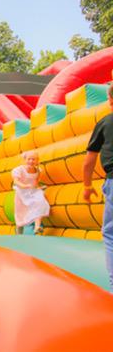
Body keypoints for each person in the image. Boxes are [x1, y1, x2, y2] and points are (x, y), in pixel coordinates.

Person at [83, 83, 113, 290]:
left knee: (111, 233)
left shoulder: (105, 122)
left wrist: (87, 186)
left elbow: (89, 161)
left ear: (110, 101)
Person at [12, 151, 50, 235]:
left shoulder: (38, 170)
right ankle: (19, 233)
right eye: (29, 159)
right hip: (21, 193)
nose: (31, 161)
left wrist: (38, 187)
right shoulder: (19, 170)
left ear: (37, 161)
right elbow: (16, 181)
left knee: (40, 202)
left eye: (34, 159)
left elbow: (36, 181)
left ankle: (37, 227)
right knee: (20, 215)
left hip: (32, 191)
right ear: (25, 160)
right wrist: (25, 186)